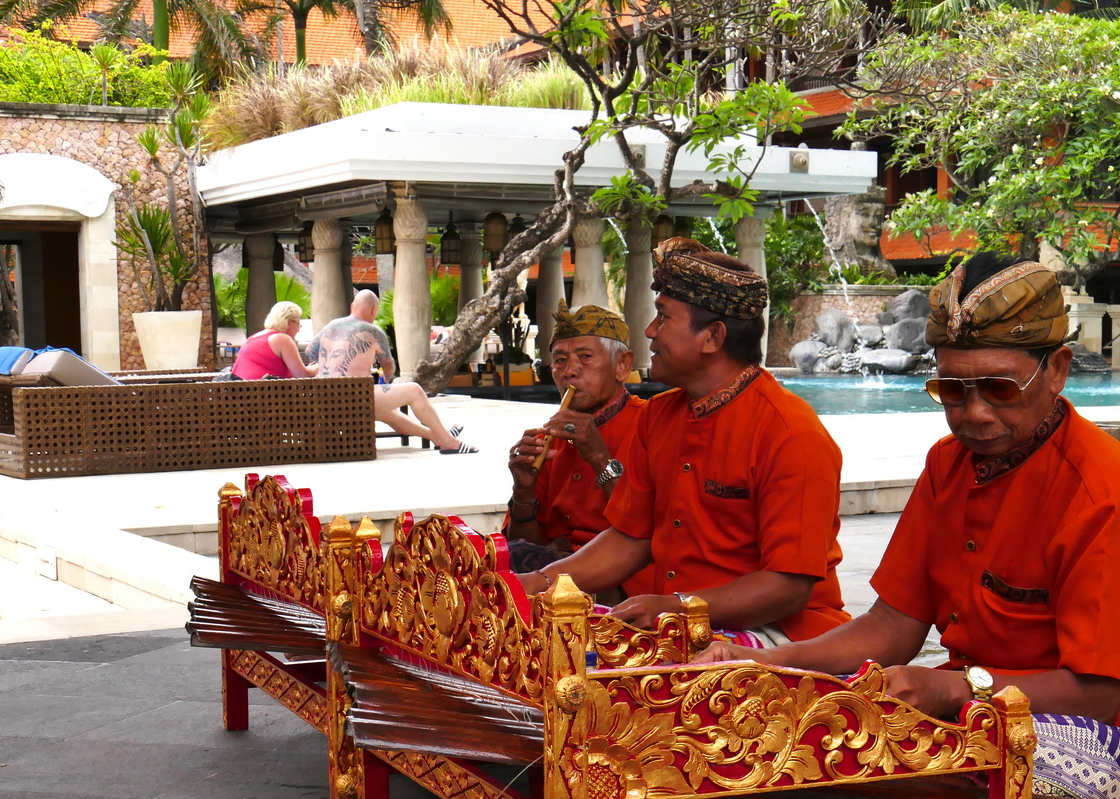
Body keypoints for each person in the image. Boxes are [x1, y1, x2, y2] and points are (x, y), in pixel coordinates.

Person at [698, 254, 1120, 799]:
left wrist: (954, 693)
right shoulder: (947, 465)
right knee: (810, 714)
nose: (973, 414)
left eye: (999, 389)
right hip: (985, 703)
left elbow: (1097, 695)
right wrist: (776, 664)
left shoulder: (1103, 489)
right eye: (951, 390)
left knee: (991, 760)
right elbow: (892, 628)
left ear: (1058, 370)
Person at [515, 237, 849, 644]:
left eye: (663, 318)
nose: (649, 331)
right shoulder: (660, 415)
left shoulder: (791, 433)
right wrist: (536, 582)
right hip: (677, 618)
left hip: (778, 632)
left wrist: (673, 607)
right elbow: (629, 538)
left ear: (712, 337)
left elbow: (789, 588)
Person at [504, 300, 652, 594]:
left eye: (585, 357)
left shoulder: (651, 424)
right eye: (559, 360)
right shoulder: (552, 437)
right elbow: (526, 547)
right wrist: (523, 491)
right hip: (554, 576)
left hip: (624, 583)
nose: (569, 371)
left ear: (622, 365)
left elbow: (647, 528)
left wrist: (598, 456)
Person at [310, 291, 476, 454]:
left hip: (325, 399)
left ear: (352, 306)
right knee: (414, 391)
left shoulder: (331, 326)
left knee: (390, 414)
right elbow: (389, 368)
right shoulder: (373, 331)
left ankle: (439, 437)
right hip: (352, 399)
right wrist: (385, 380)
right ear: (374, 310)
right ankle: (449, 442)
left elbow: (311, 351)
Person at [231, 301, 315, 380]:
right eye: (298, 325)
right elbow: (301, 374)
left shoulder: (254, 337)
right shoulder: (282, 339)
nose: (298, 330)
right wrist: (322, 367)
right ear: (289, 322)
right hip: (263, 392)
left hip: (241, 391)